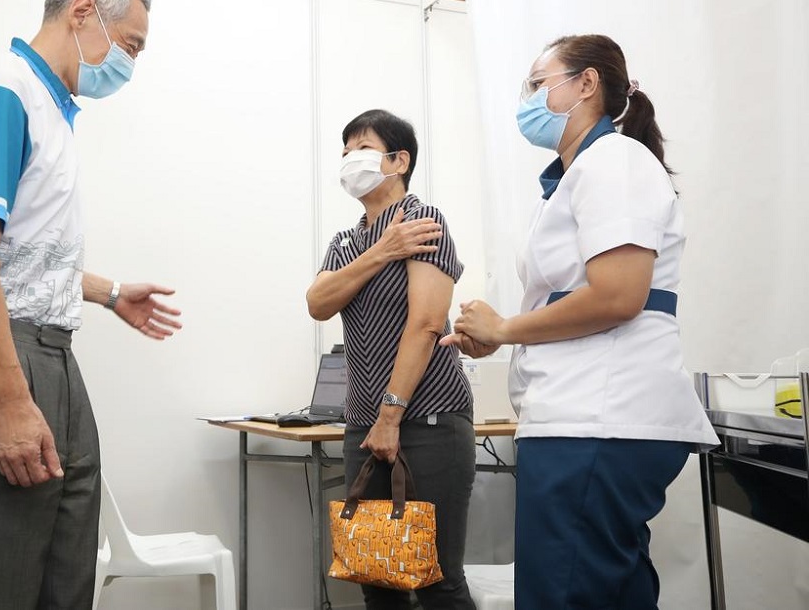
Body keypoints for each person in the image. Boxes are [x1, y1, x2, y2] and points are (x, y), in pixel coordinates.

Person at [0, 0, 182, 610]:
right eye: (130, 47)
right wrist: (10, 401)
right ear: (83, 12)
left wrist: (109, 292)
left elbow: (21, 251)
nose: (130, 66)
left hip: (52, 356)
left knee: (64, 578)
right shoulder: (1, 90)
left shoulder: (54, 110)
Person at [441, 34, 719, 609]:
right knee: (606, 592)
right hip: (588, 417)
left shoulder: (614, 161)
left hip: (599, 416)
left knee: (563, 594)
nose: (529, 100)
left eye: (538, 84)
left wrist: (505, 329)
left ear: (586, 84)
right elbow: (574, 294)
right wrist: (498, 335)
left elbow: (618, 295)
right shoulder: (577, 176)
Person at [307, 109, 477, 609]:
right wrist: (382, 252)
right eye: (343, 154)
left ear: (399, 160)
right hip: (363, 424)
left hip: (427, 419)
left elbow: (425, 323)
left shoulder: (425, 222)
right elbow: (319, 303)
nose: (347, 162)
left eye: (359, 149)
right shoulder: (348, 240)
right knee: (376, 575)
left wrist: (390, 416)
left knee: (437, 580)